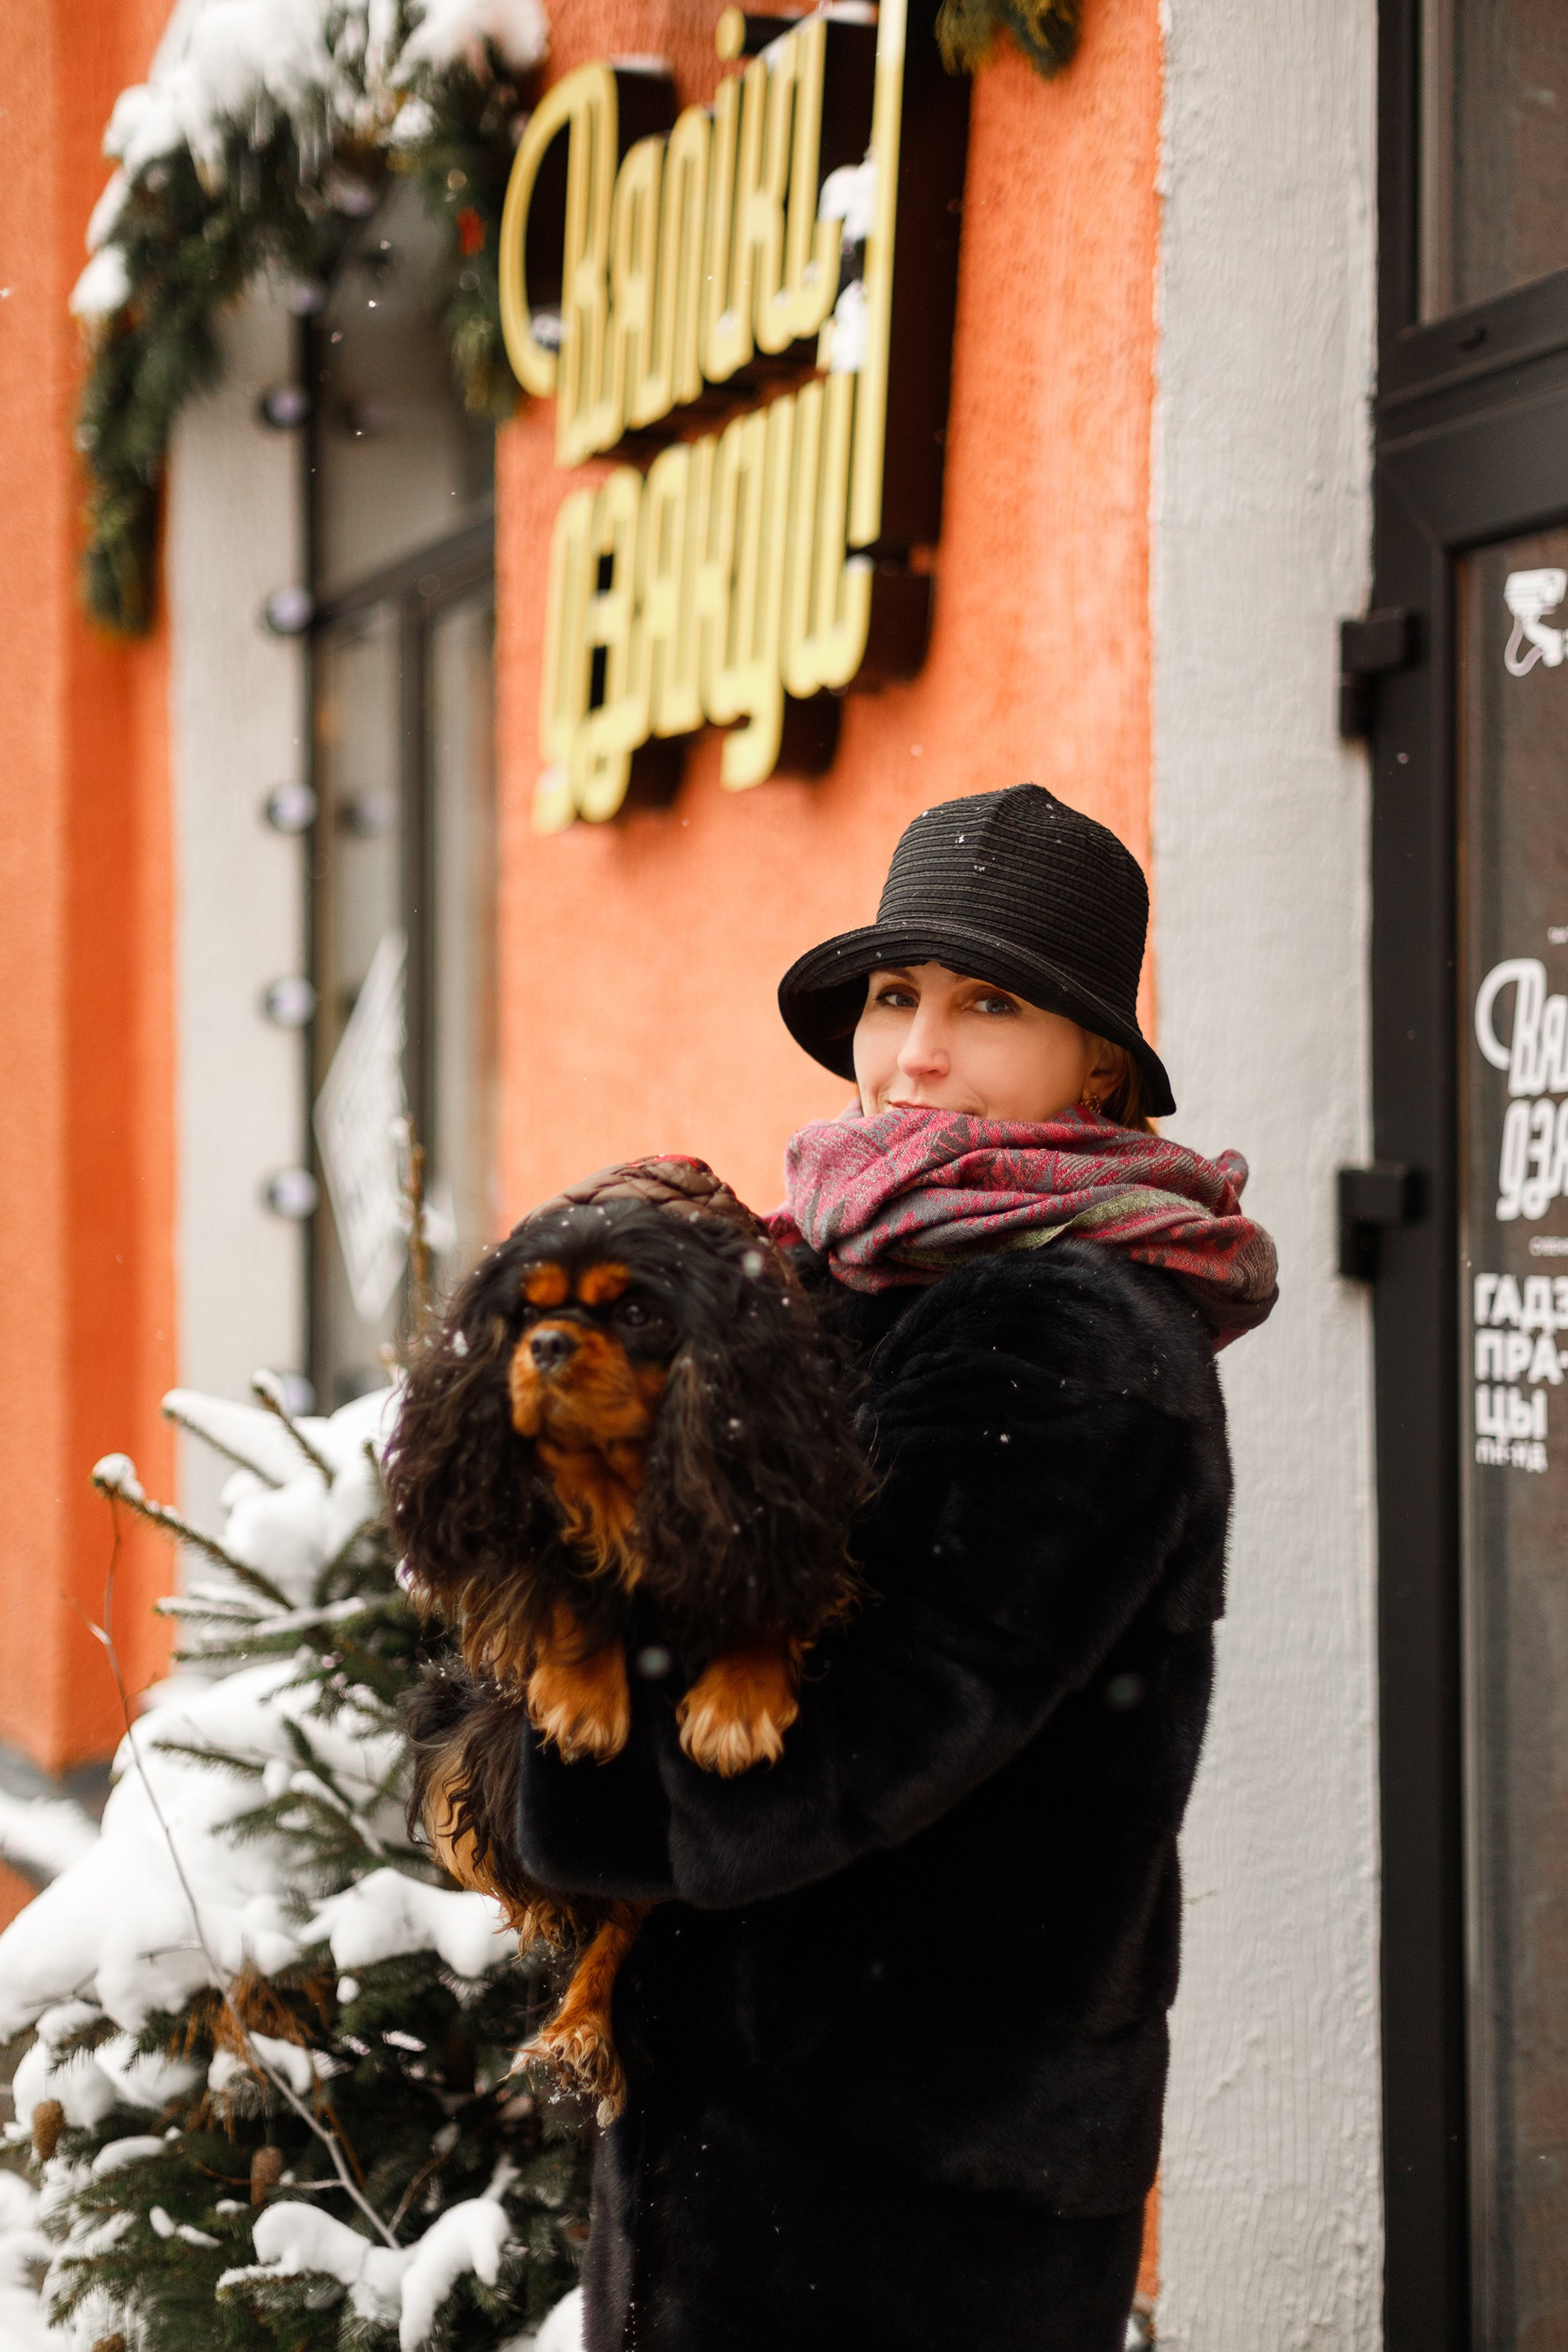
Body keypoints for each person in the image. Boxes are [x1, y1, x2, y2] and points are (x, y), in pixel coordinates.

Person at [512, 783, 1278, 2352]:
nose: (915, 1051)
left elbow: (814, 1760)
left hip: (903, 2198)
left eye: (986, 1004)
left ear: (1099, 1067)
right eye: (892, 996)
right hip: (745, 2154)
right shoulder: (823, 1277)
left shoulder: (1064, 1338)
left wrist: (550, 1776)